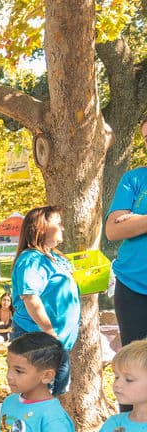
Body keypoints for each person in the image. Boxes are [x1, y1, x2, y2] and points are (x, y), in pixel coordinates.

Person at [10, 206, 80, 395]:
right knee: (34, 395)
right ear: (41, 228)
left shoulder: (56, 257)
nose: (62, 228)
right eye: (58, 223)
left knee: (53, 393)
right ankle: (17, 423)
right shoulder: (32, 259)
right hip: (37, 338)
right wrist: (48, 331)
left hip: (56, 341)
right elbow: (30, 298)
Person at [105, 116, 147, 362]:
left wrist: (136, 219)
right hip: (132, 288)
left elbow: (127, 225)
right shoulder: (134, 179)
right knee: (134, 367)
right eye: (146, 139)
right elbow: (113, 230)